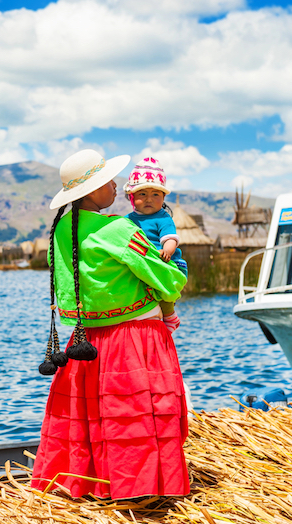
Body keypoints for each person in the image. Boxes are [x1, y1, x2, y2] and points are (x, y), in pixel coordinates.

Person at [31, 149, 190, 500]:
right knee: (132, 416)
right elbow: (167, 278)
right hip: (132, 339)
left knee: (93, 417)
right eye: (108, 182)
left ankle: (90, 484)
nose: (117, 187)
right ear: (90, 191)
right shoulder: (116, 228)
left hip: (84, 341)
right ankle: (141, 488)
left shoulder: (61, 229)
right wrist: (174, 281)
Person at [123, 157, 188, 332]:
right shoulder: (127, 220)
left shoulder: (162, 218)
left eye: (155, 194)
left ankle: (170, 316)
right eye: (142, 194)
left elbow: (170, 238)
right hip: (144, 263)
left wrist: (166, 251)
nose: (149, 199)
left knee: (162, 292)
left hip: (166, 262)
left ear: (164, 197)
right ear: (132, 196)